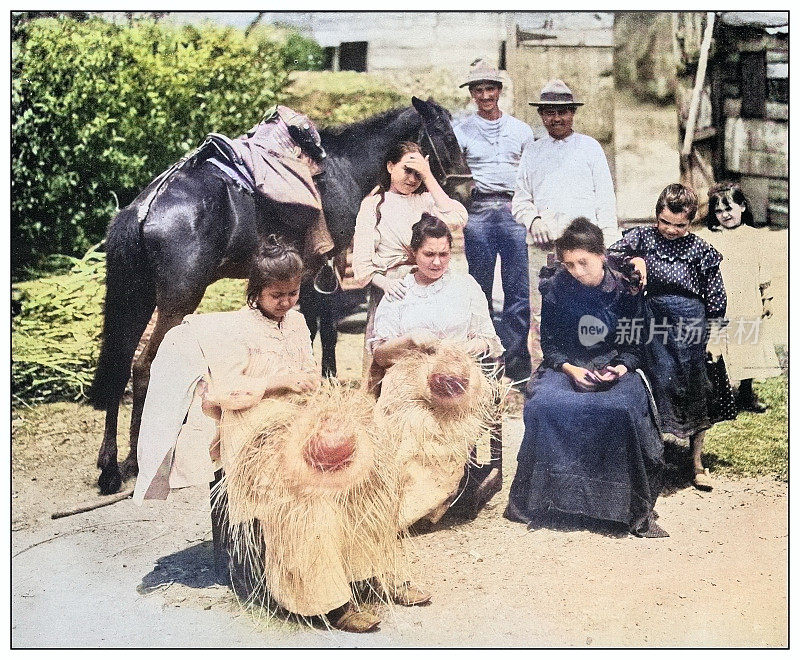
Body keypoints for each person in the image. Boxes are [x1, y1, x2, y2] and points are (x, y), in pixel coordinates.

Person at [131, 237, 399, 633]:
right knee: (306, 493)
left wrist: (310, 394)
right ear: (255, 290)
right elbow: (225, 394)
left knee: (359, 472)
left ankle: (365, 574)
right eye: (277, 295)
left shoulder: (297, 322)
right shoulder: (234, 330)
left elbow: (308, 376)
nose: (287, 302)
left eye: (293, 293)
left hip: (295, 422)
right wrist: (279, 382)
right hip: (251, 432)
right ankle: (327, 600)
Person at [504, 217, 667, 538]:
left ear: (601, 256)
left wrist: (619, 368)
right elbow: (550, 345)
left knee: (619, 408)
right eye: (569, 264)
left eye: (584, 262)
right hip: (569, 364)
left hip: (616, 364)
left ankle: (621, 506)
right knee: (546, 405)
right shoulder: (557, 290)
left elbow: (637, 343)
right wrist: (571, 369)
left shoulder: (625, 289)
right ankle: (548, 500)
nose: (577, 271)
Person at [370, 215, 504, 522]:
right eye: (429, 254)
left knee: (439, 430)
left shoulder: (465, 286)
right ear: (414, 253)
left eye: (443, 254)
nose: (436, 262)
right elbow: (380, 354)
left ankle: (417, 507)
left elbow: (487, 340)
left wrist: (458, 349)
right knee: (403, 428)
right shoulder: (399, 290)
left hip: (455, 374)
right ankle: (392, 503)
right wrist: (410, 340)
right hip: (407, 375)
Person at [608, 184, 727, 491]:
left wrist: (713, 336)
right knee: (655, 383)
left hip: (691, 323)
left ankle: (697, 462)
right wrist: (636, 261)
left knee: (695, 386)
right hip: (652, 321)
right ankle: (654, 459)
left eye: (680, 225)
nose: (671, 230)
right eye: (666, 222)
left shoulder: (701, 249)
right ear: (656, 215)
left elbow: (716, 296)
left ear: (692, 221)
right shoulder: (643, 237)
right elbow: (608, 256)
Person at [512, 79, 620, 373]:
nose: (556, 119)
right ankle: (545, 375)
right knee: (543, 315)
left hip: (585, 248)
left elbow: (605, 200)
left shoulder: (589, 148)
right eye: (549, 112)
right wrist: (533, 219)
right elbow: (520, 200)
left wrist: (607, 246)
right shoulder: (533, 152)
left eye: (563, 112)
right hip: (547, 250)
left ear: (573, 113)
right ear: (541, 115)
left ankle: (593, 369)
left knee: (588, 310)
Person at [351, 140, 467, 375]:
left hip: (428, 283)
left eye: (418, 174)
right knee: (386, 355)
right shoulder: (374, 205)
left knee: (427, 353)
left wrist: (429, 177)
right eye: (407, 170)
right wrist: (385, 283)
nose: (412, 179)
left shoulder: (426, 201)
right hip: (391, 286)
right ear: (391, 166)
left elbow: (457, 218)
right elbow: (362, 262)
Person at [453, 59, 534, 383]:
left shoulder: (521, 130)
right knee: (479, 288)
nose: (485, 95)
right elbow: (455, 176)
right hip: (480, 212)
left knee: (517, 291)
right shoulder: (461, 131)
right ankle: (485, 361)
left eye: (490, 88)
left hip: (513, 209)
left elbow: (530, 174)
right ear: (472, 94)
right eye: (478, 90)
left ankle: (516, 366)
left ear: (499, 91)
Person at [700, 182, 781, 413]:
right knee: (720, 347)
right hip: (721, 303)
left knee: (748, 346)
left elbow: (762, 269)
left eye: (729, 208)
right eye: (718, 210)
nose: (725, 215)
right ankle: (719, 395)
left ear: (742, 207)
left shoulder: (754, 237)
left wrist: (767, 298)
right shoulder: (711, 237)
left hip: (747, 302)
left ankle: (746, 393)